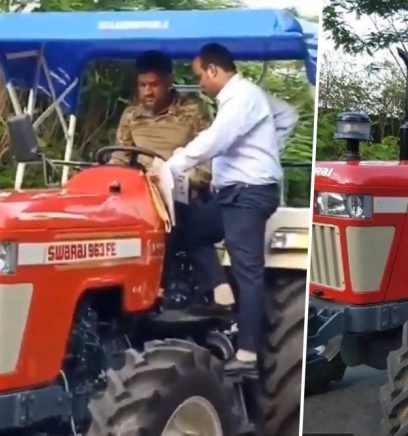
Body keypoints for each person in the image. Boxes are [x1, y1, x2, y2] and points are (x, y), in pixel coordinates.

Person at [165, 43, 283, 371]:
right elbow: (285, 116)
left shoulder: (241, 97)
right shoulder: (243, 97)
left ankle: (248, 353)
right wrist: (269, 150)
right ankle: (220, 292)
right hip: (234, 193)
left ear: (214, 70)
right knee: (193, 232)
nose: (200, 83)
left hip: (247, 194)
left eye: (201, 75)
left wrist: (172, 165)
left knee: (248, 271)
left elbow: (216, 139)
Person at [112, 49, 236, 308]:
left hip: (185, 190)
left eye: (154, 85)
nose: (147, 92)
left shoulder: (193, 111)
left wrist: (188, 179)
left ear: (169, 82)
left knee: (175, 212)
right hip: (141, 192)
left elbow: (210, 160)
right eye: (142, 85)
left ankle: (163, 286)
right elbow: (120, 159)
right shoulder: (131, 116)